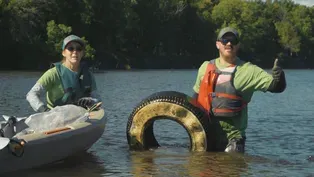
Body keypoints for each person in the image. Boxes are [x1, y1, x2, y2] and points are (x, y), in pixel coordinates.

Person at [192, 27, 286, 153]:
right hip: (205, 137)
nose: (229, 43)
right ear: (217, 44)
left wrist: (279, 77)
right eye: (225, 40)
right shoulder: (205, 67)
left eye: (233, 40)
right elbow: (193, 101)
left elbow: (277, 87)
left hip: (233, 141)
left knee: (232, 170)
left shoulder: (249, 71)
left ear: (238, 45)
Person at [26, 34, 101, 112]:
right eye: (71, 48)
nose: (75, 52)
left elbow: (98, 99)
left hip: (81, 117)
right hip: (55, 117)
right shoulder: (53, 73)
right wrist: (44, 110)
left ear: (82, 53)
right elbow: (31, 94)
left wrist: (91, 101)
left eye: (79, 49)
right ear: (64, 53)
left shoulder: (88, 75)